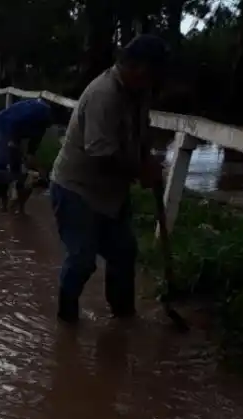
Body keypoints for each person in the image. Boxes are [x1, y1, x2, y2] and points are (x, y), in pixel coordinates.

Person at [49, 34, 170, 323]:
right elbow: (101, 154)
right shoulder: (104, 95)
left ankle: (124, 317)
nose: (156, 80)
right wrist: (140, 171)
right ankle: (66, 322)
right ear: (137, 67)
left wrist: (148, 158)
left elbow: (141, 132)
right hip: (76, 188)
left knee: (124, 252)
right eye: (153, 72)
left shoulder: (139, 92)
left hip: (110, 192)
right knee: (81, 260)